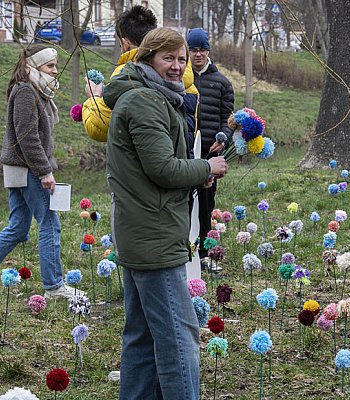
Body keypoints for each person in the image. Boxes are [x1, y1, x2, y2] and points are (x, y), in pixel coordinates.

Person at [103, 27, 228, 399]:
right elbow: (163, 168)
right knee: (178, 337)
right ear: (147, 59)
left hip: (143, 231)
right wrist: (207, 169)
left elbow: (154, 172)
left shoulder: (148, 95)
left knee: (141, 337)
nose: (176, 67)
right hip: (154, 236)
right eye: (167, 58)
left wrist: (194, 177)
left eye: (181, 59)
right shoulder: (145, 101)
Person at [0, 45, 83, 300]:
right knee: (49, 222)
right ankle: (54, 287)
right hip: (28, 169)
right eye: (49, 66)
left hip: (21, 169)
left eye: (55, 65)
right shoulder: (25, 92)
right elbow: (27, 137)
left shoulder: (35, 91)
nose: (55, 70)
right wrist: (44, 171)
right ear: (35, 66)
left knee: (18, 228)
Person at [81, 5, 200, 144]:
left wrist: (93, 97)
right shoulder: (185, 77)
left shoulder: (128, 74)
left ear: (125, 43)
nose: (175, 66)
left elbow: (100, 128)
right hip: (186, 159)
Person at [186, 27, 233, 268]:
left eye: (202, 50)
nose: (197, 55)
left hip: (210, 152)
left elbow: (228, 118)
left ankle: (205, 255)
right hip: (184, 152)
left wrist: (223, 136)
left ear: (208, 51)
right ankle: (185, 252)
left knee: (206, 205)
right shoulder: (181, 78)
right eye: (193, 50)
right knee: (185, 204)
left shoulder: (222, 82)